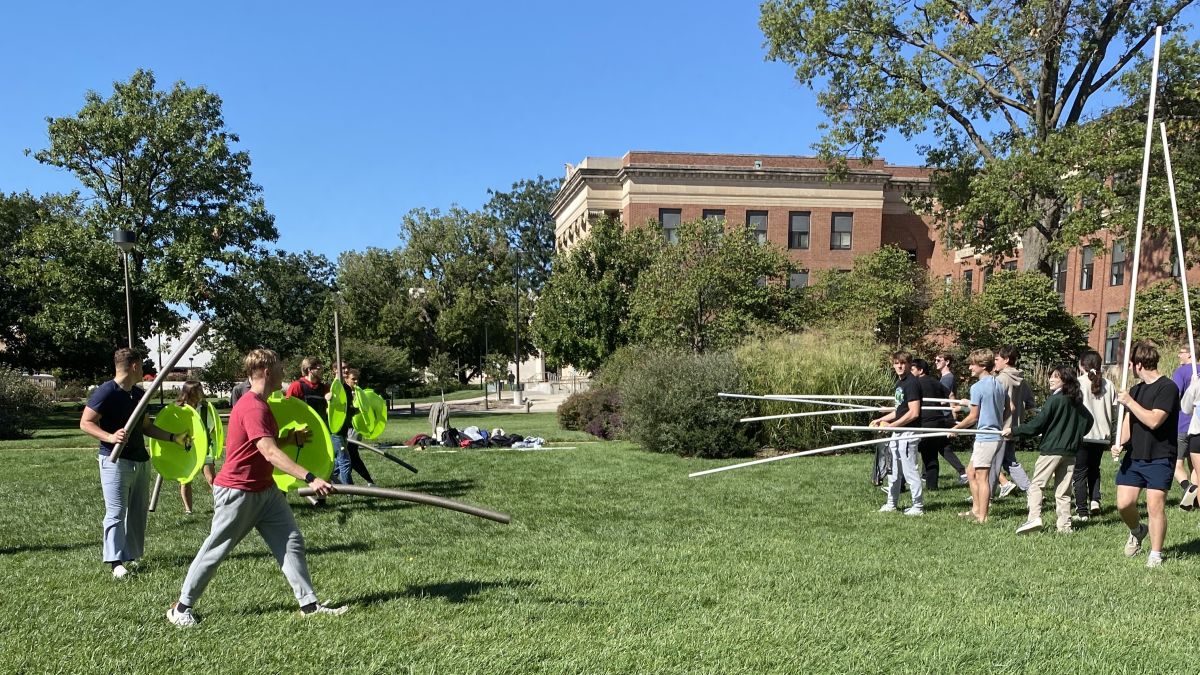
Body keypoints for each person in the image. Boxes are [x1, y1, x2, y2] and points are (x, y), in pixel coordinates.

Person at [167, 348, 347, 626]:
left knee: (290, 541)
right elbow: (268, 451)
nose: (283, 374)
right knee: (216, 549)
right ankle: (181, 609)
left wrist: (289, 439)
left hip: (265, 490)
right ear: (265, 372)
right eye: (278, 369)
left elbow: (265, 444)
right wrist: (310, 477)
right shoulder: (252, 406)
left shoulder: (262, 405)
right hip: (238, 492)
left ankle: (309, 604)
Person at [79, 348, 186, 579]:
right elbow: (85, 423)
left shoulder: (138, 395)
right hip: (114, 460)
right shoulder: (106, 392)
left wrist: (172, 437)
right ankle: (115, 561)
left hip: (140, 460)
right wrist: (109, 437)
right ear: (135, 366)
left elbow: (146, 426)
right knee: (116, 512)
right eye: (142, 365)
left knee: (137, 513)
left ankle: (131, 556)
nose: (145, 370)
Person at [1112, 341, 1179, 568]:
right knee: (1123, 504)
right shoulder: (1136, 389)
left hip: (1160, 456)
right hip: (1135, 457)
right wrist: (1120, 443)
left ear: (1139, 365)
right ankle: (1137, 530)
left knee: (1155, 506)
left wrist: (1130, 402)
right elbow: (1129, 421)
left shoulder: (1167, 388)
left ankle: (1155, 555)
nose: (1130, 368)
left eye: (1131, 364)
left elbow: (1154, 420)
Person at [1006, 366, 1093, 534]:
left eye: (1055, 377)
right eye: (1050, 377)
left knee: (1037, 485)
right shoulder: (1075, 400)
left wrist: (1015, 430)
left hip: (1051, 450)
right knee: (1064, 491)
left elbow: (1037, 424)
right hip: (1070, 452)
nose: (1050, 380)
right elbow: (1088, 420)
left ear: (1065, 380)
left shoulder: (1055, 400)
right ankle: (1065, 526)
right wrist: (1076, 435)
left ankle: (1034, 517)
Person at [951, 348, 1006, 523]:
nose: (969, 368)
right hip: (993, 435)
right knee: (970, 472)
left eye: (972, 364)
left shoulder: (977, 387)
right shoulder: (999, 384)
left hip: (986, 437)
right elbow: (997, 407)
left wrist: (956, 428)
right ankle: (976, 509)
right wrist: (969, 403)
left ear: (982, 366)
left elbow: (973, 416)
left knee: (982, 478)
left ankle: (983, 517)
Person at [871, 351, 924, 516]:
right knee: (892, 469)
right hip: (898, 431)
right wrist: (881, 419)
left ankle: (918, 506)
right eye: (896, 363)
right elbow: (899, 410)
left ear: (909, 364)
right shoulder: (900, 383)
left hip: (909, 432)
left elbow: (914, 413)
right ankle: (891, 503)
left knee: (910, 470)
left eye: (903, 363)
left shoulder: (912, 383)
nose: (899, 366)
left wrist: (892, 425)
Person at [911, 359, 967, 488]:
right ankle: (934, 483)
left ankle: (929, 485)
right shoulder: (935, 382)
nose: (911, 372)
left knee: (928, 453)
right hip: (939, 420)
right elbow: (950, 394)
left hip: (926, 422)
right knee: (941, 448)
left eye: (913, 369)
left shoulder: (915, 384)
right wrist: (950, 410)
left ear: (920, 370)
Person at [1075, 351, 1114, 520]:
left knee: (1080, 472)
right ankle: (1095, 500)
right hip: (1102, 436)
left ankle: (1082, 511)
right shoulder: (1109, 384)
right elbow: (1114, 409)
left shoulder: (1078, 383)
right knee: (1094, 469)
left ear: (1082, 365)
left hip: (1083, 435)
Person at [992, 346, 1035, 498]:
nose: (994, 362)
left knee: (992, 462)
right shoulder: (1021, 379)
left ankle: (989, 494)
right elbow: (1030, 402)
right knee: (1008, 461)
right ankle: (1031, 491)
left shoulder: (1000, 379)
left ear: (1006, 360)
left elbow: (995, 403)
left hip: (1000, 426)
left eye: (997, 359)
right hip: (1013, 427)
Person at [176, 381, 218, 516]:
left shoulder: (205, 408)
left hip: (204, 447)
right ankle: (188, 510)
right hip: (186, 448)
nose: (202, 392)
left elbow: (211, 428)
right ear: (190, 392)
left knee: (211, 478)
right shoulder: (179, 409)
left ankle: (221, 505)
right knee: (186, 479)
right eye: (198, 390)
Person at [333, 367, 375, 486]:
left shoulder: (357, 393)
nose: (356, 382)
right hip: (344, 429)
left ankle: (333, 478)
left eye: (357, 380)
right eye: (353, 379)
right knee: (348, 457)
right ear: (346, 379)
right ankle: (336, 479)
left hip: (355, 429)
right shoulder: (343, 392)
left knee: (349, 456)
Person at [1171, 343, 1198, 508]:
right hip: (1198, 426)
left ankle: (1188, 487)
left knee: (1176, 464)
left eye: (1181, 352)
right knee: (1195, 464)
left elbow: (1175, 394)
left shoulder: (1182, 372)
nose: (1179, 355)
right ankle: (1194, 498)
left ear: (1190, 354)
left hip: (1183, 423)